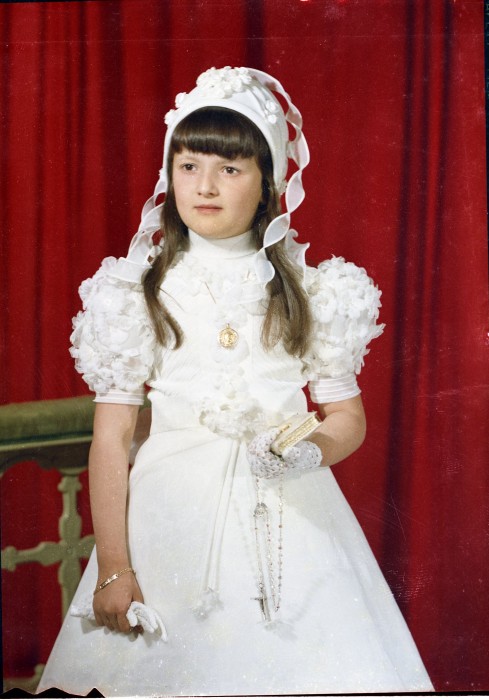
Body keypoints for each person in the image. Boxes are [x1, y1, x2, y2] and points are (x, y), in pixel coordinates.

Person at [37, 66, 433, 696]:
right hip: (166, 522)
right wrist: (113, 566)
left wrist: (310, 451)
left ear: (267, 181)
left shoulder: (314, 292)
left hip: (289, 523)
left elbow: (346, 419)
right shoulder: (136, 293)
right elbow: (111, 439)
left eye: (229, 168)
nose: (205, 186)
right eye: (189, 166)